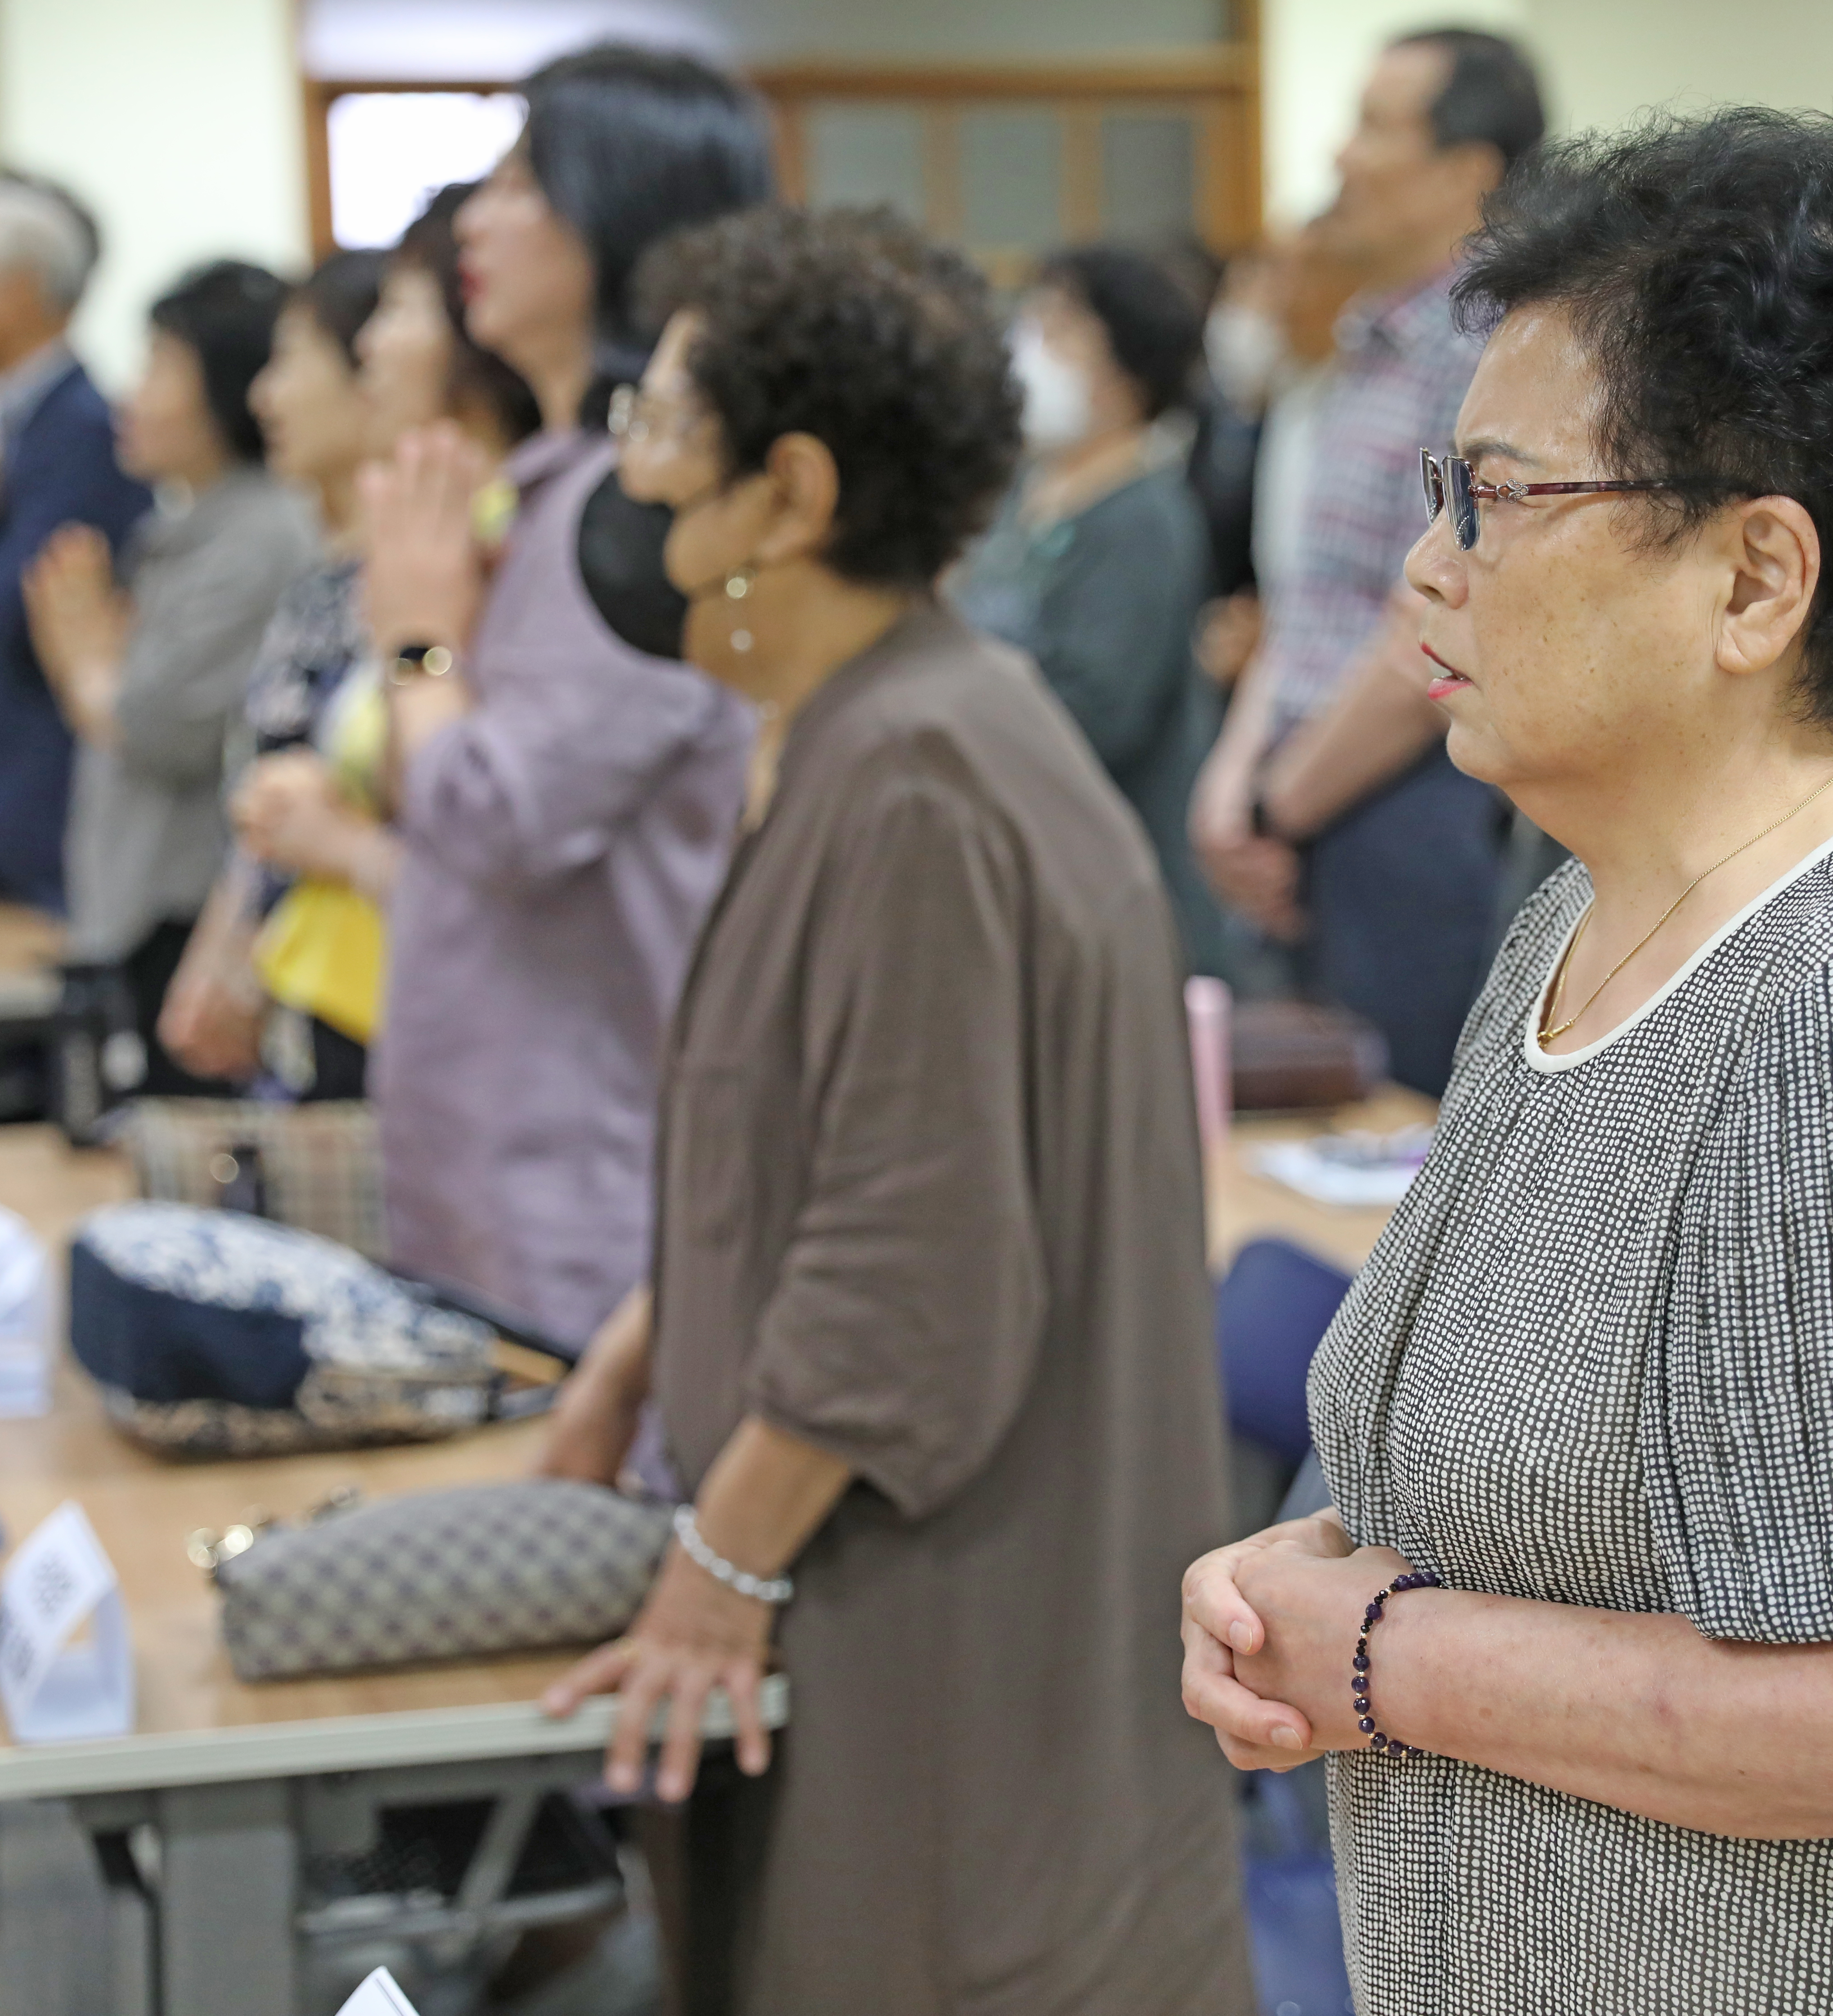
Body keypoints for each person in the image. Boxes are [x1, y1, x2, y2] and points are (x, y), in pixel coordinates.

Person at [1181, 113, 1833, 2012]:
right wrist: (1285, 1585)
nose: (1428, 577)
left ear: (1753, 578)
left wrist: (1377, 1650)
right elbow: (1531, 1505)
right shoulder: (1578, 910)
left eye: (1497, 499)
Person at [530, 202, 1247, 2016]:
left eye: (657, 433)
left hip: (947, 1649)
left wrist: (709, 1566)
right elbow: (828, 1139)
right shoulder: (875, 724)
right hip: (891, 1598)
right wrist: (642, 1345)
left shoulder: (919, 773)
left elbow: (910, 1267)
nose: (620, 478)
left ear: (789, 494)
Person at [353, 46, 766, 1339]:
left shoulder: (637, 511)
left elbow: (498, 819)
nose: (475, 216)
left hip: (580, 1190)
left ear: (623, 209)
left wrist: (420, 646)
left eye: (523, 180)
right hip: (503, 1159)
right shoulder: (566, 484)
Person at [1189, 27, 1543, 1091]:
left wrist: (1274, 806)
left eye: (1375, 127)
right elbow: (1309, 599)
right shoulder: (1367, 341)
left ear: (1468, 172)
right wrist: (1234, 787)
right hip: (1301, 805)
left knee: (1393, 1140)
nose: (1343, 158)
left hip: (1410, 797)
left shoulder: (1493, 346)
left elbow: (1439, 612)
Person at [23, 259, 317, 1094]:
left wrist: (85, 662)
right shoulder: (193, 524)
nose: (133, 397)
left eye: (160, 368)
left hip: (181, 913)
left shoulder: (260, 537)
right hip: (139, 908)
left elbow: (156, 726)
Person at [954, 244, 1230, 977]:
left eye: (1061, 328)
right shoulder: (1022, 495)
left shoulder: (1143, 516)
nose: (1030, 345)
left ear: (1126, 371)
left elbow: (1100, 711)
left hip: (1115, 876)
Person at [155, 249, 393, 1094]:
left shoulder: (415, 584)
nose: (265, 397)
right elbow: (267, 803)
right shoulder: (323, 583)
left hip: (380, 1005)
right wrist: (221, 959)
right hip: (301, 992)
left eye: (293, 362)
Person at [0, 174, 152, 911]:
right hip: (0, 799)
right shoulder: (15, 424)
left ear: (20, 291)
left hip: (48, 803)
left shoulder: (76, 428)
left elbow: (17, 609)